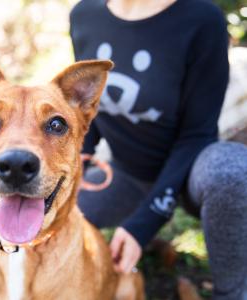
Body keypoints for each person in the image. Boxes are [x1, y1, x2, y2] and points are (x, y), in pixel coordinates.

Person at [70, 0, 247, 299]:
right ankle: (148, 241)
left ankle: (231, 293)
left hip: (191, 173)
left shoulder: (202, 19)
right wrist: (78, 164)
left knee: (230, 172)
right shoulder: (84, 15)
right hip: (129, 174)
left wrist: (144, 222)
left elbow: (197, 134)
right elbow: (90, 109)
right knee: (55, 214)